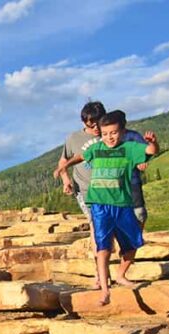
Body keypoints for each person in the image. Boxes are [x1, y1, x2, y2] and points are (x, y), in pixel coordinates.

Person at [57, 111, 158, 305]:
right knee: (103, 247)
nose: (109, 137)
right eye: (105, 134)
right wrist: (65, 167)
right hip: (99, 205)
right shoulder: (96, 148)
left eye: (113, 133)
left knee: (133, 244)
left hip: (122, 204)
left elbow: (151, 151)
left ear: (122, 131)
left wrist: (152, 142)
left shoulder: (129, 148)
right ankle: (105, 290)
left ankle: (120, 274)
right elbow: (80, 156)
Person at [54, 101, 105, 288]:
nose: (95, 128)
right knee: (95, 226)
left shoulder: (111, 134)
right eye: (90, 124)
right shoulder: (74, 138)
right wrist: (66, 179)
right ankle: (99, 274)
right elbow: (63, 161)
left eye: (98, 123)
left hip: (112, 190)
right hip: (85, 190)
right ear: (84, 122)